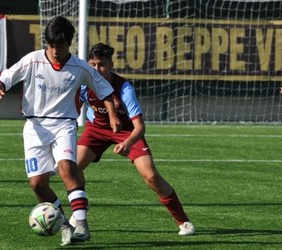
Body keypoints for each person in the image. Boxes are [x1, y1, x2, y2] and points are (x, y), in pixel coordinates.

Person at [0, 16, 121, 246]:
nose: (55, 51)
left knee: (67, 169)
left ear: (68, 43)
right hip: (34, 128)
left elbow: (105, 90)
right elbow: (7, 77)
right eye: (51, 46)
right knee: (37, 184)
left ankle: (81, 223)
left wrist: (111, 115)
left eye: (59, 46)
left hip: (64, 125)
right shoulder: (33, 60)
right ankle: (64, 225)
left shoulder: (80, 67)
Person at [73, 43, 195, 236]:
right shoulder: (84, 85)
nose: (96, 69)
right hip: (97, 129)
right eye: (92, 64)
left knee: (151, 177)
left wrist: (127, 143)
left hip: (127, 132)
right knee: (73, 168)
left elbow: (140, 127)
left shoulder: (124, 88)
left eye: (101, 65)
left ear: (111, 65)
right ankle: (81, 206)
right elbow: (74, 107)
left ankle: (183, 221)